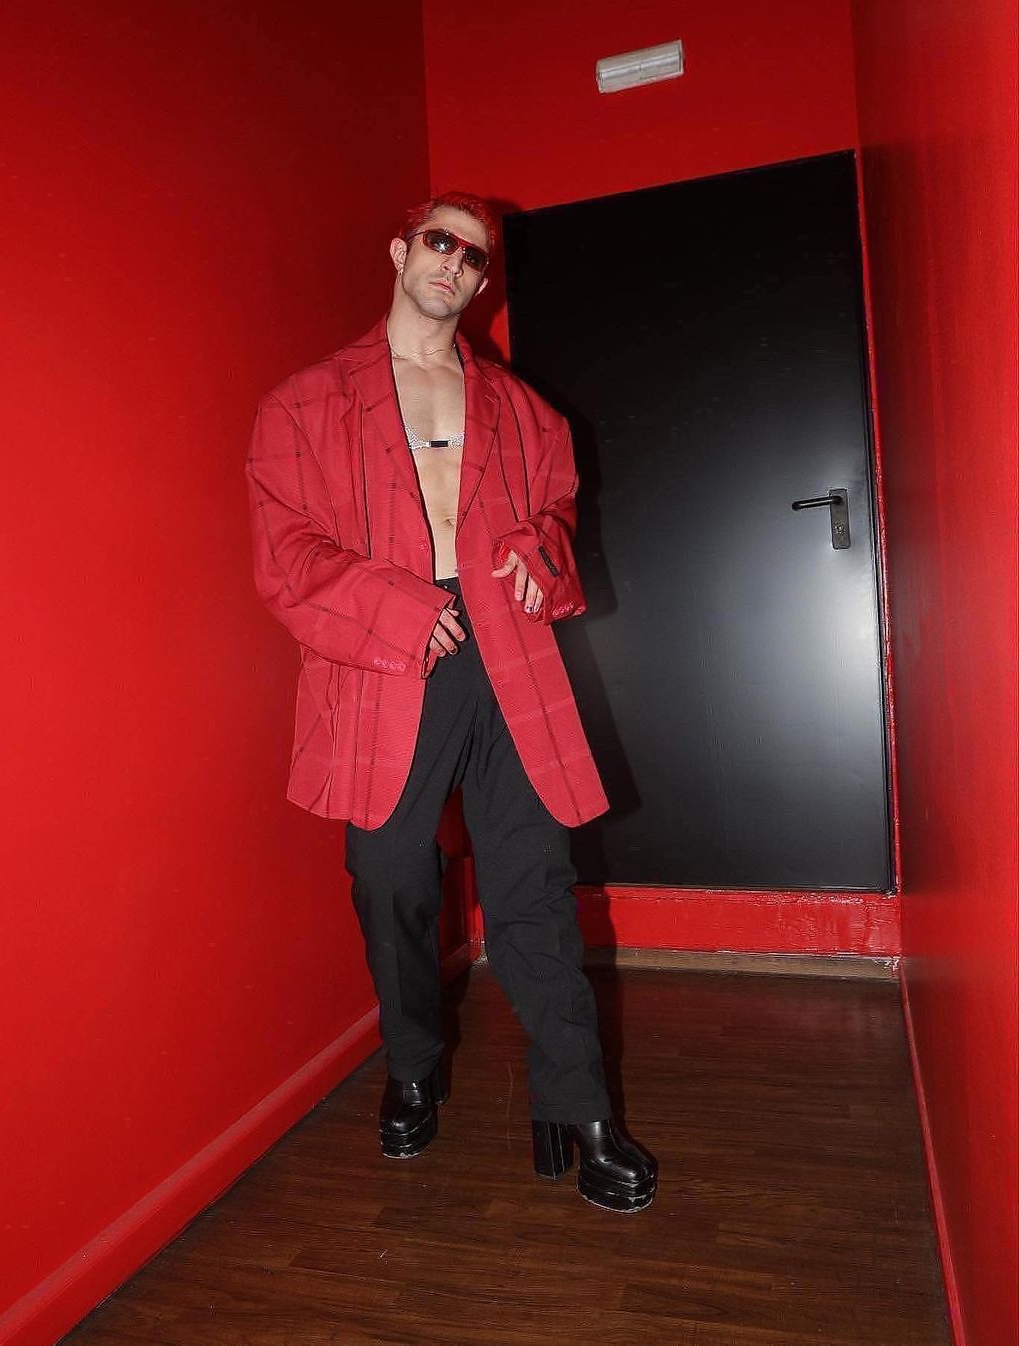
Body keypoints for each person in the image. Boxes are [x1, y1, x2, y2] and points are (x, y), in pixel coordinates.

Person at [245, 191, 657, 1213]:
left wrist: (535, 548)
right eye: (440, 242)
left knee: (534, 880)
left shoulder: (521, 408)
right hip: (386, 657)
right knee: (388, 878)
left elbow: (557, 510)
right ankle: (414, 1062)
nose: (456, 265)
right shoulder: (303, 402)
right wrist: (394, 608)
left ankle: (581, 1106)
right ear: (400, 251)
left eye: (475, 257)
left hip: (507, 654)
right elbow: (284, 552)